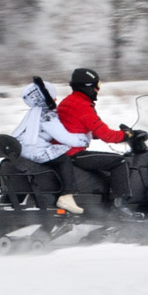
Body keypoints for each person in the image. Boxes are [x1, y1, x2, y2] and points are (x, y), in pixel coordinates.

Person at [56, 68, 137, 215]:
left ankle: (103, 202)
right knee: (119, 162)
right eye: (96, 86)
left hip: (61, 152)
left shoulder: (68, 101)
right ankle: (120, 206)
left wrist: (97, 135)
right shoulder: (83, 106)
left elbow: (75, 128)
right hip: (73, 153)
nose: (97, 90)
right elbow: (107, 135)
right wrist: (126, 136)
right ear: (87, 86)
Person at [11, 76, 89, 214]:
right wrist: (83, 139)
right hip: (35, 151)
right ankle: (67, 195)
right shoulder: (48, 115)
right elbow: (64, 137)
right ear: (46, 99)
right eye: (53, 98)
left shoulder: (33, 113)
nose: (56, 100)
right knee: (64, 159)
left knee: (57, 155)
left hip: (22, 151)